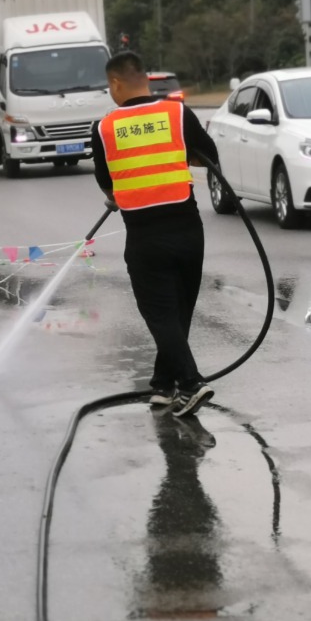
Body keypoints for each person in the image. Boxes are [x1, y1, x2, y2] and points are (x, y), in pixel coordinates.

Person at [90, 50, 220, 418]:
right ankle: (164, 386)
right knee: (178, 313)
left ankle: (191, 384)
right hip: (189, 233)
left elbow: (107, 184)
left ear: (115, 83)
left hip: (146, 237)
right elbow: (207, 155)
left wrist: (122, 190)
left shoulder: (104, 128)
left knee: (161, 315)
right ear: (145, 78)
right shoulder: (177, 113)